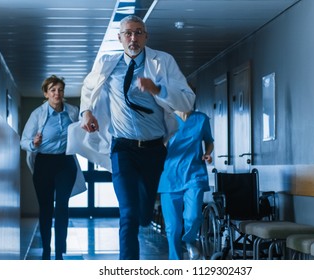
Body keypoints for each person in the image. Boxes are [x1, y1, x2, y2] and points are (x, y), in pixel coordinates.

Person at [79, 15, 195, 260]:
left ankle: (144, 214)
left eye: (138, 32)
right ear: (119, 37)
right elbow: (88, 88)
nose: (133, 38)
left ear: (146, 36)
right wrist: (86, 111)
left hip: (154, 149)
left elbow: (187, 99)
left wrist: (157, 89)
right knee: (128, 213)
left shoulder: (163, 61)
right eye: (128, 33)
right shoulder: (107, 63)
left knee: (143, 214)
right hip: (122, 147)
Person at [20, 75, 80, 260]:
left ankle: (60, 250)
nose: (57, 93)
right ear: (46, 94)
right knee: (46, 208)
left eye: (60, 90)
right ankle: (46, 250)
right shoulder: (37, 114)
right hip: (44, 164)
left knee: (62, 206)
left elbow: (83, 131)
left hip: (65, 163)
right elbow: (23, 141)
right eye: (53, 90)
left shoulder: (73, 111)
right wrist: (34, 143)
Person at [158, 109, 214, 260]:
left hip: (194, 174)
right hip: (169, 176)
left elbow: (209, 140)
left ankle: (189, 240)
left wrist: (208, 153)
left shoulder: (201, 119)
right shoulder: (165, 118)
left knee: (194, 216)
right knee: (173, 227)